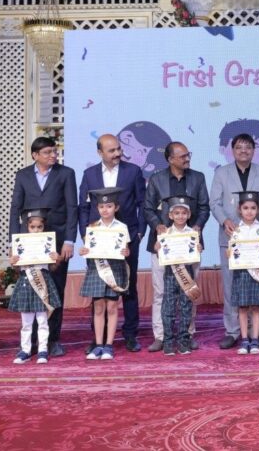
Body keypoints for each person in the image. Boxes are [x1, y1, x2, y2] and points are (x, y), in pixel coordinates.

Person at [8, 137, 78, 357]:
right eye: (47, 152)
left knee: (55, 289)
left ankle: (52, 339)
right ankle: (30, 342)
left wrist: (69, 240)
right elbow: (15, 208)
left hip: (56, 240)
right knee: (31, 289)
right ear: (35, 155)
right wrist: (13, 243)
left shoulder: (66, 173)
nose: (53, 155)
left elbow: (72, 207)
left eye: (54, 151)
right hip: (29, 241)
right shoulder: (23, 175)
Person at [79, 134, 146, 353]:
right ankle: (99, 338)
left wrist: (139, 233)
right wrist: (85, 234)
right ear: (100, 153)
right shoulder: (89, 174)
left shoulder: (133, 171)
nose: (117, 153)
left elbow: (143, 203)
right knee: (99, 289)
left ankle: (130, 334)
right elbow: (84, 207)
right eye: (112, 150)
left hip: (127, 238)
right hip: (97, 241)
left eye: (118, 149)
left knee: (128, 286)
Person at [210, 133, 259, 349]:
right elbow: (214, 202)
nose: (243, 151)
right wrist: (224, 220)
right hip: (231, 238)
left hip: (256, 240)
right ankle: (232, 331)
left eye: (248, 147)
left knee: (255, 285)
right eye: (239, 147)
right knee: (231, 285)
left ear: (254, 150)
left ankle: (255, 332)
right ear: (232, 150)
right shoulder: (221, 173)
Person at [144, 141, 209, 352]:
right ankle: (161, 336)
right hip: (162, 245)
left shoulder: (198, 177)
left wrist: (198, 226)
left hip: (190, 245)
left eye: (188, 155)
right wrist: (158, 225)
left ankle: (187, 335)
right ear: (170, 159)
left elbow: (204, 208)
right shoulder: (156, 179)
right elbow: (147, 209)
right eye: (182, 156)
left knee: (189, 290)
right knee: (161, 292)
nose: (187, 159)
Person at [78, 187, 131, 361]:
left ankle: (109, 345)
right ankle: (98, 345)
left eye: (109, 206)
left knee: (112, 307)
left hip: (114, 270)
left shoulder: (122, 227)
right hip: (97, 270)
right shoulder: (92, 228)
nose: (105, 210)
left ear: (116, 207)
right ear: (97, 208)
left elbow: (126, 249)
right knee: (98, 307)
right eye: (101, 207)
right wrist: (83, 250)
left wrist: (126, 252)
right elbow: (88, 249)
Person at [8, 207, 61, 364]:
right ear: (27, 227)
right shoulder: (20, 243)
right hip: (26, 282)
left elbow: (53, 268)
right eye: (32, 227)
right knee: (26, 322)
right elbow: (17, 269)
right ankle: (25, 350)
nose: (36, 230)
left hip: (43, 281)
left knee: (43, 320)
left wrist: (56, 259)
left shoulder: (48, 243)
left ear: (44, 227)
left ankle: (42, 349)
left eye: (39, 227)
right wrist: (13, 262)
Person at [228, 191, 259, 355]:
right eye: (246, 208)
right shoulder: (235, 230)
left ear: (258, 209)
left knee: (256, 307)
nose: (249, 211)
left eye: (253, 208)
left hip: (257, 272)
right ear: (239, 209)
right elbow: (232, 251)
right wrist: (229, 254)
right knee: (242, 308)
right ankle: (244, 340)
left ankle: (255, 339)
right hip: (242, 273)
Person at [154, 195, 202, 356]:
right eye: (176, 213)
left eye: (183, 213)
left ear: (188, 215)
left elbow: (195, 255)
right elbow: (160, 253)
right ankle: (168, 341)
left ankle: (183, 340)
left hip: (187, 272)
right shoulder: (165, 233)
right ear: (170, 215)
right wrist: (158, 248)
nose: (180, 216)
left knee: (186, 307)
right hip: (170, 273)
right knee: (168, 307)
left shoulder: (193, 233)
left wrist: (199, 249)